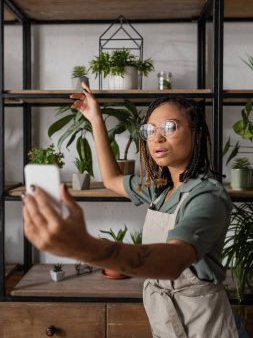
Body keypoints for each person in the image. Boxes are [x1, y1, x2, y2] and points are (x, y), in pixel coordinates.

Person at [22, 84, 240, 338]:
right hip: (166, 319)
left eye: (170, 127)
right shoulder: (160, 190)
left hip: (204, 326)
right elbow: (112, 179)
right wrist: (95, 119)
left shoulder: (207, 196)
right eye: (150, 130)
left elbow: (173, 261)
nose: (157, 138)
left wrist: (85, 247)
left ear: (196, 132)